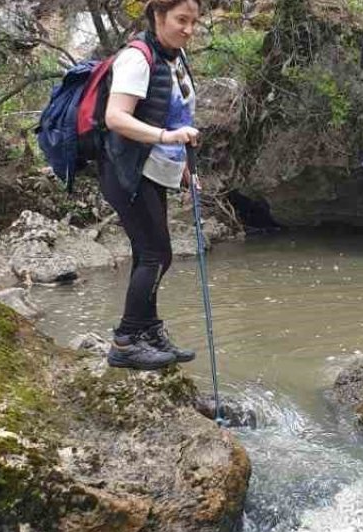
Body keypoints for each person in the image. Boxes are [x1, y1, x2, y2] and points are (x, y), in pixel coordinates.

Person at [99, 0, 203, 370]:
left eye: (194, 21)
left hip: (154, 171)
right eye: (181, 20)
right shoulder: (137, 58)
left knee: (155, 254)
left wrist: (184, 170)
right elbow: (116, 117)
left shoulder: (174, 57)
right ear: (158, 17)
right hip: (126, 171)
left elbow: (174, 109)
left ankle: (148, 331)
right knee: (155, 255)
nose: (188, 29)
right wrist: (168, 136)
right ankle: (126, 341)